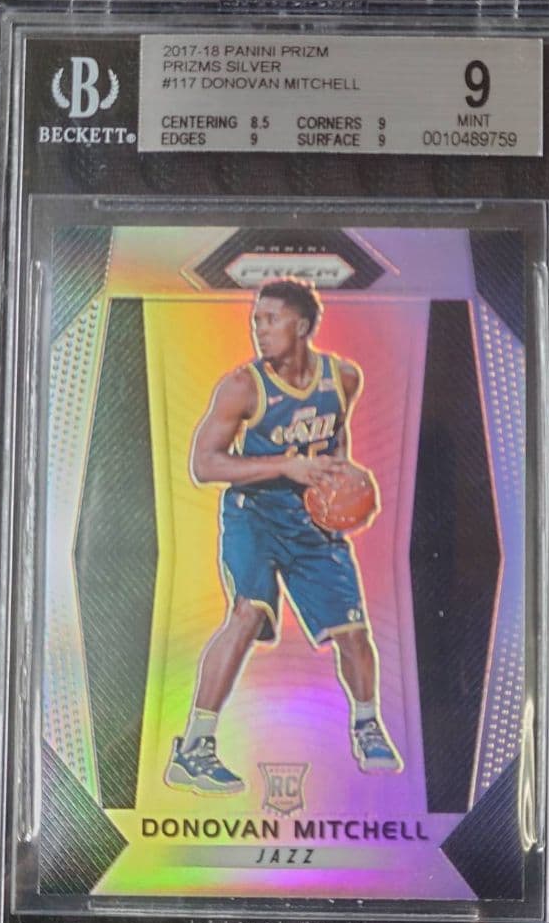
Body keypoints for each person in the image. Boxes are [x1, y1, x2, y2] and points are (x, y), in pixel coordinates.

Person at [165, 278, 402, 794]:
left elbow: (335, 437)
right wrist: (284, 466)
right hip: (254, 514)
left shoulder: (343, 378)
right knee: (247, 613)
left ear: (302, 326)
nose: (259, 329)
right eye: (257, 320)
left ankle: (367, 724)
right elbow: (204, 464)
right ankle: (194, 748)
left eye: (270, 320)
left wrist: (342, 484)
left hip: (308, 519)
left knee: (354, 633)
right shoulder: (242, 386)